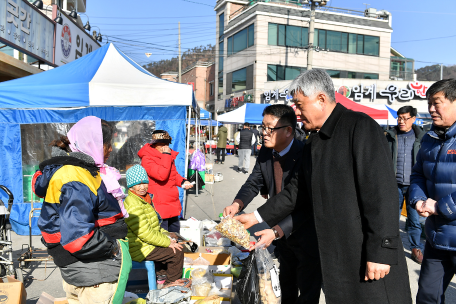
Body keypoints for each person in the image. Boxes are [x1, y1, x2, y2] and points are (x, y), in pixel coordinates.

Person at [235, 69, 412, 304]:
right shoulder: (314, 142)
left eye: (299, 105)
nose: (296, 113)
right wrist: (256, 216)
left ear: (320, 99)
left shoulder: (360, 127)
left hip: (365, 253)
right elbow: (297, 191)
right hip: (335, 255)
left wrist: (382, 251)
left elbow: (382, 195)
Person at [223, 104, 320, 304]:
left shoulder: (306, 154)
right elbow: (253, 182)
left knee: (308, 292)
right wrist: (237, 204)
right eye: (263, 127)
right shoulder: (267, 152)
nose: (263, 133)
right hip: (279, 232)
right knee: (286, 285)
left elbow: (305, 204)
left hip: (305, 232)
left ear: (288, 131)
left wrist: (275, 230)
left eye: (270, 128)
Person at [33, 116, 132, 304]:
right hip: (96, 274)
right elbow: (78, 238)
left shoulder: (74, 171)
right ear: (90, 143)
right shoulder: (76, 177)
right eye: (107, 144)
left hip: (84, 272)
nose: (111, 148)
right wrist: (113, 248)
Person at [409, 79, 456, 303]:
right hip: (437, 237)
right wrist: (418, 199)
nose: (430, 109)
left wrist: (440, 206)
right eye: (429, 103)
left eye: (437, 103)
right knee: (427, 296)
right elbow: (418, 174)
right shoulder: (429, 138)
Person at [124, 165, 188, 287]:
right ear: (131, 186)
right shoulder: (133, 204)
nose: (142, 187)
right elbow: (145, 233)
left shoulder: (145, 199)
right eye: (138, 184)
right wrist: (167, 242)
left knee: (175, 242)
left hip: (146, 243)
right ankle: (171, 286)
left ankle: (162, 276)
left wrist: (168, 235)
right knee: (177, 252)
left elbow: (155, 227)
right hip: (139, 247)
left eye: (144, 183)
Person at [385, 106, 425, 264]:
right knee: (391, 218)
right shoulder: (390, 136)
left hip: (414, 186)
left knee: (414, 220)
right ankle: (391, 248)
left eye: (405, 118)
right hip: (394, 184)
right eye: (399, 118)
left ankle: (415, 248)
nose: (401, 121)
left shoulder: (421, 137)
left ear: (413, 119)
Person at [138, 130, 193, 233]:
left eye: (167, 144)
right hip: (159, 204)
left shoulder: (167, 156)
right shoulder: (147, 158)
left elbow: (173, 174)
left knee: (175, 234)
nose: (165, 147)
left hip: (172, 202)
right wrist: (166, 155)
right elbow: (161, 175)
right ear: (154, 144)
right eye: (161, 144)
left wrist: (182, 182)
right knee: (164, 236)